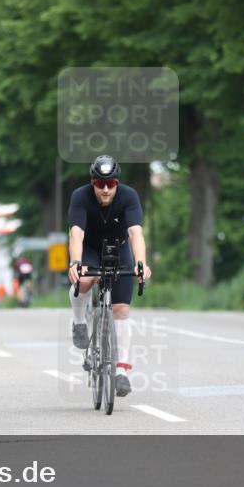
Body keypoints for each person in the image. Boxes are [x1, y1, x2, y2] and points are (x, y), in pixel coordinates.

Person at [67, 155, 153, 397]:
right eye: (99, 183)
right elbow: (76, 234)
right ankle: (80, 322)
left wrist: (141, 263)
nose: (105, 189)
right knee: (84, 279)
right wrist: (76, 263)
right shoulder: (80, 196)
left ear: (118, 183)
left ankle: (121, 370)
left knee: (122, 309)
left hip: (119, 247)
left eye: (111, 183)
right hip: (90, 249)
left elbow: (136, 233)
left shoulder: (129, 196)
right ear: (92, 182)